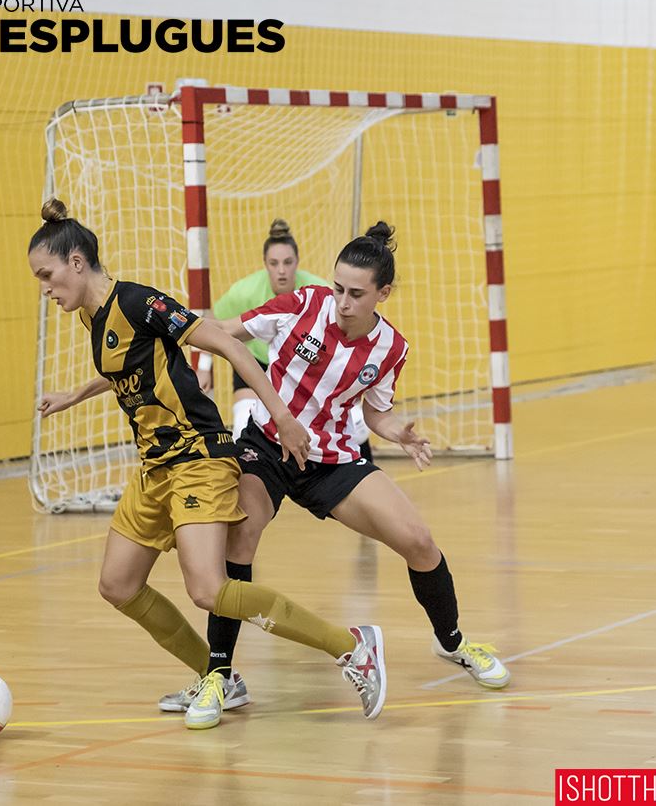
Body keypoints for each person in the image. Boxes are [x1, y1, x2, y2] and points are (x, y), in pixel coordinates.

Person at [30, 199, 388, 730]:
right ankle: (219, 677)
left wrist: (284, 418)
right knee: (118, 586)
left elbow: (230, 347)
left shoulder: (142, 302)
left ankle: (351, 648)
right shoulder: (91, 313)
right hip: (155, 466)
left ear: (77, 262)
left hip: (199, 456)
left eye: (48, 274)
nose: (45, 287)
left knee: (207, 588)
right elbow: (130, 367)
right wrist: (75, 393)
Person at [159, 222, 510, 715]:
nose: (342, 301)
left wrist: (396, 432)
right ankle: (221, 675)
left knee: (418, 540)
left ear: (382, 294)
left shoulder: (391, 349)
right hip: (268, 447)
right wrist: (171, 330)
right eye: (338, 288)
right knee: (241, 536)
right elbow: (226, 331)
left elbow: (373, 410)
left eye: (356, 293)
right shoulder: (304, 304)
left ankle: (452, 642)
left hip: (332, 461)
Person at [197, 219, 375, 461]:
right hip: (257, 365)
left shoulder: (320, 293)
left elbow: (347, 337)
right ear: (265, 265)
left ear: (297, 263)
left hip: (307, 368)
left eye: (287, 263)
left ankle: (358, 471)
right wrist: (204, 366)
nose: (281, 270)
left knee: (357, 424)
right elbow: (215, 324)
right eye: (274, 263)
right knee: (241, 425)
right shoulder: (245, 291)